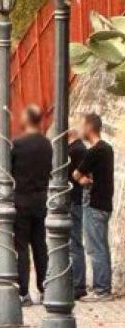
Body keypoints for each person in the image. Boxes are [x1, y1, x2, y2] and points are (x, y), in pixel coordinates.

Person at [12, 105, 52, 306]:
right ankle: (44, 289)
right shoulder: (47, 144)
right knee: (40, 246)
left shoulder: (17, 144)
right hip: (41, 199)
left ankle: (23, 292)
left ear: (27, 119)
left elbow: (7, 170)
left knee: (21, 248)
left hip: (21, 199)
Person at [74, 113, 115, 301]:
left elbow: (76, 174)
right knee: (102, 246)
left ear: (89, 127)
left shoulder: (94, 151)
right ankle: (104, 287)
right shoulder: (107, 149)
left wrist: (83, 179)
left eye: (82, 125)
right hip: (105, 204)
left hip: (94, 204)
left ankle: (101, 289)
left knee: (95, 247)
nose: (80, 129)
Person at [68, 128, 88, 300]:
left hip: (74, 201)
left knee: (74, 243)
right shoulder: (79, 149)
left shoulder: (76, 150)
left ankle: (78, 284)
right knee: (73, 243)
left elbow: (78, 176)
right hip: (75, 200)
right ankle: (76, 282)